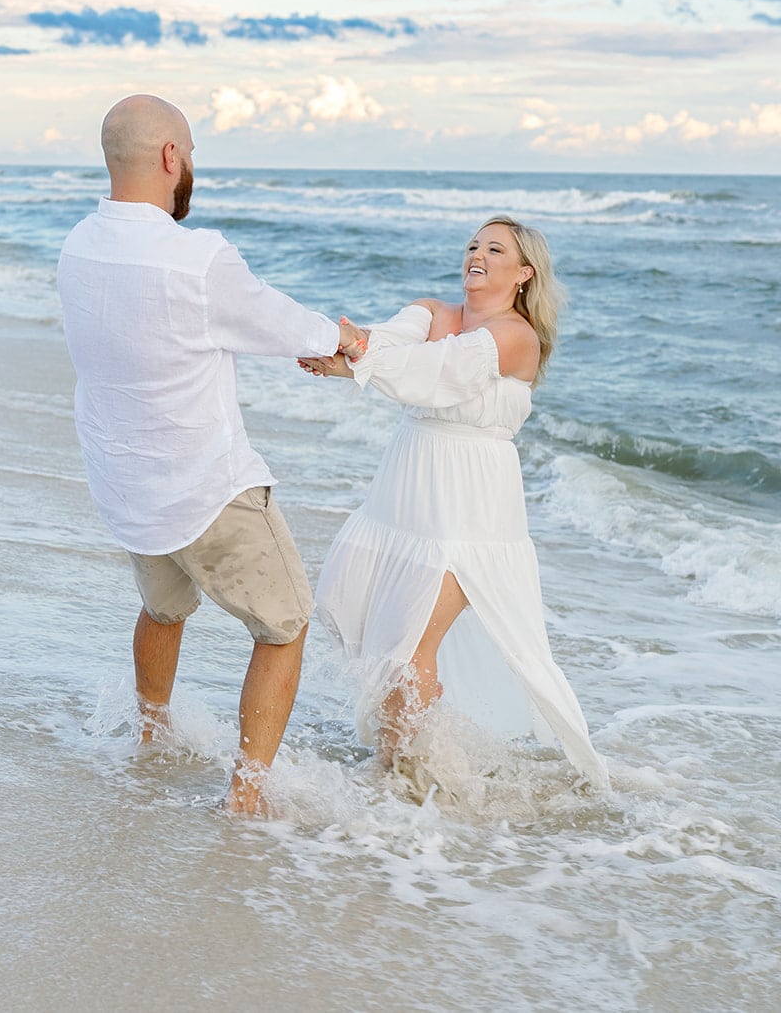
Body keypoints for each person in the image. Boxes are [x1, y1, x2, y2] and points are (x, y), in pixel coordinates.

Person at [56, 94, 360, 816]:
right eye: (190, 153)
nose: (192, 167)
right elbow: (279, 320)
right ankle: (246, 796)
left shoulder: (78, 246)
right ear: (170, 158)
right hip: (205, 488)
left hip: (126, 484)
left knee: (164, 609)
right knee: (285, 623)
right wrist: (345, 341)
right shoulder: (195, 257)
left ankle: (151, 736)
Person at [298, 216, 609, 792]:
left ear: (523, 274)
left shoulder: (517, 337)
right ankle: (414, 764)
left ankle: (400, 776)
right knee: (386, 634)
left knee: (412, 640)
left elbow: (439, 374)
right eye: (473, 245)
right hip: (405, 496)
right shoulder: (432, 312)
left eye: (496, 249)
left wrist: (356, 359)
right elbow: (387, 344)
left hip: (472, 512)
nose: (478, 254)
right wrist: (349, 352)